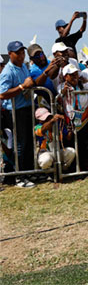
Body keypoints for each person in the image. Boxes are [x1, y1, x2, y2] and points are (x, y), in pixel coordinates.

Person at [0, 41, 36, 187]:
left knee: (28, 143)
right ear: (10, 54)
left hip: (26, 109)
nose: (21, 56)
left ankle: (28, 173)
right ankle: (19, 176)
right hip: (14, 112)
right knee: (19, 145)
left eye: (23, 53)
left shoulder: (23, 67)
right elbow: (2, 94)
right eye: (18, 53)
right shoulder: (8, 71)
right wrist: (22, 87)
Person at [59, 64, 88, 172]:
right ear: (65, 77)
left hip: (84, 119)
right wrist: (63, 92)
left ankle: (86, 169)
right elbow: (58, 97)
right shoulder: (62, 86)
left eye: (76, 74)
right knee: (73, 145)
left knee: (85, 145)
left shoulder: (82, 85)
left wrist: (84, 80)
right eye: (71, 75)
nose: (75, 77)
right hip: (71, 121)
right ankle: (75, 170)